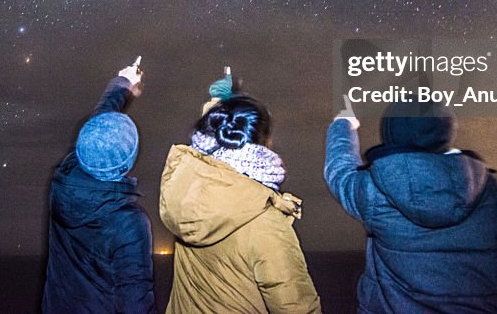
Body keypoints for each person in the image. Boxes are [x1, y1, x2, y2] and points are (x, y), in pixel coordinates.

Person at [325, 99, 497, 313]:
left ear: (391, 133)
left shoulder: (375, 189)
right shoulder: (491, 192)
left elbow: (340, 172)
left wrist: (343, 124)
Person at [159, 79, 322, 314]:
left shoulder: (186, 189)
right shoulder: (264, 224)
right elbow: (296, 308)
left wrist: (222, 102)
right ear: (263, 144)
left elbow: (210, 140)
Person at [42, 61, 155, 314]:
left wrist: (123, 83)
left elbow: (97, 123)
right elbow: (136, 302)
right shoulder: (129, 223)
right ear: (128, 161)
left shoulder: (64, 177)